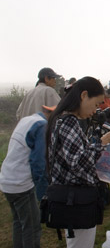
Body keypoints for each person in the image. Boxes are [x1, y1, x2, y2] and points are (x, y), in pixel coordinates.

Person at [46, 77, 110, 248]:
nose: (96, 111)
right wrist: (103, 142)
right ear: (84, 95)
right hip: (76, 202)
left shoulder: (62, 119)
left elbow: (76, 156)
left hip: (72, 199)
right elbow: (79, 162)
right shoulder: (68, 122)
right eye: (95, 104)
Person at [0, 105, 55, 248]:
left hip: (7, 178)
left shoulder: (28, 119)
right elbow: (38, 162)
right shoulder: (42, 126)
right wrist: (43, 194)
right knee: (32, 226)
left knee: (19, 221)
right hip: (21, 183)